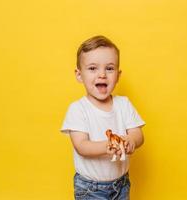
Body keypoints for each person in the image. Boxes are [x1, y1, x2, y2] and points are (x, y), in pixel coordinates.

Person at [60, 35, 145, 200]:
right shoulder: (78, 109)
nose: (102, 75)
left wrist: (131, 141)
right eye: (92, 68)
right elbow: (81, 146)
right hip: (91, 188)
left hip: (121, 184)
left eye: (109, 68)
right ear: (79, 75)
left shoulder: (124, 104)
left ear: (118, 75)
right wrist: (108, 145)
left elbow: (138, 135)